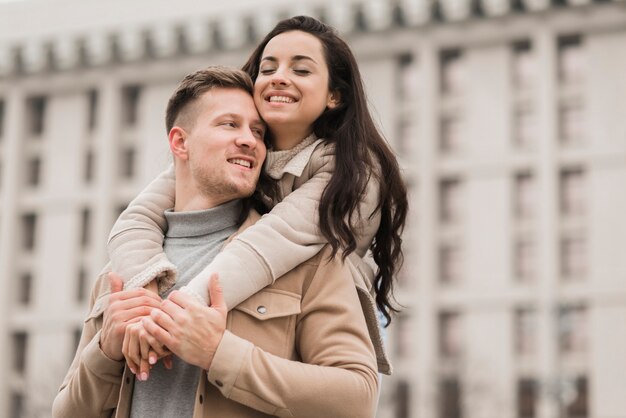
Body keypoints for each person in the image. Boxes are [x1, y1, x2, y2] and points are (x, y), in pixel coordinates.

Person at [52, 66, 379, 418]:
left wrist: (220, 354)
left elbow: (357, 398)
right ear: (180, 142)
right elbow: (65, 412)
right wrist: (104, 352)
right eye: (229, 125)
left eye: (257, 132)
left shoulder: (310, 261)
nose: (249, 140)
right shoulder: (119, 276)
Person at [108, 15, 408, 378]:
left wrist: (165, 318)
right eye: (268, 68)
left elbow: (271, 242)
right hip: (237, 313)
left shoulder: (354, 171)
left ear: (335, 95)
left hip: (313, 327)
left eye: (301, 70)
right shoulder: (238, 151)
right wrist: (145, 290)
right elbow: (137, 218)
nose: (279, 76)